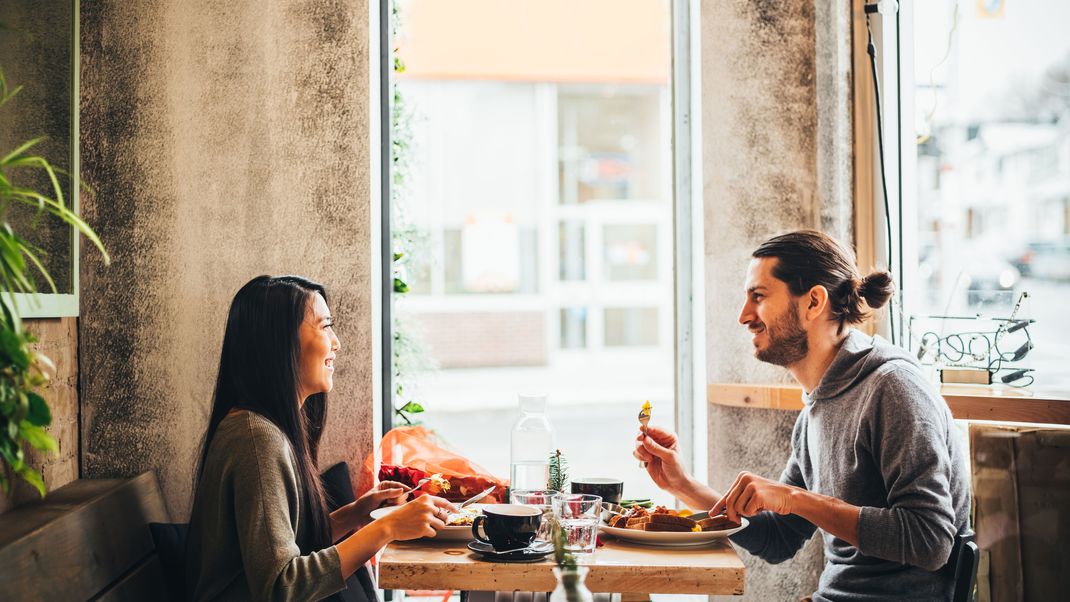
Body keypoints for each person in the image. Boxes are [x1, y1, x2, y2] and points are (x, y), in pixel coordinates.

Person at [635, 231, 970, 601]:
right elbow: (779, 539)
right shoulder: (819, 405)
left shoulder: (893, 389)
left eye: (758, 297)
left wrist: (795, 498)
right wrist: (683, 485)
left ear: (813, 302)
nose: (744, 315)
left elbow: (931, 540)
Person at [185, 275, 455, 601]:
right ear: (280, 342)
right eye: (324, 326)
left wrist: (359, 512)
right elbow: (281, 587)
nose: (336, 342)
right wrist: (387, 527)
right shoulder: (257, 440)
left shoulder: (259, 428)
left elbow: (282, 547)